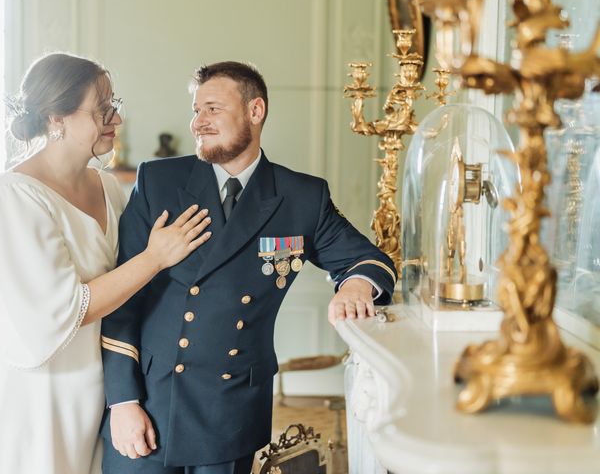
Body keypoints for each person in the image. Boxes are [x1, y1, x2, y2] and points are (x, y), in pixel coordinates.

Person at [101, 61, 397, 474]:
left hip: (231, 410)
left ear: (255, 112)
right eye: (195, 110)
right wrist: (122, 401)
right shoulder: (159, 181)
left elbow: (367, 260)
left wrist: (355, 285)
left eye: (212, 109)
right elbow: (121, 298)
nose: (198, 123)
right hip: (149, 402)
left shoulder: (301, 196)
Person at [0, 53, 211, 474]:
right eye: (103, 109)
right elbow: (64, 308)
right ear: (57, 118)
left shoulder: (108, 187)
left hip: (86, 385)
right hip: (25, 390)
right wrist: (155, 257)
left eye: (115, 105)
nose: (116, 118)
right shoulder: (14, 198)